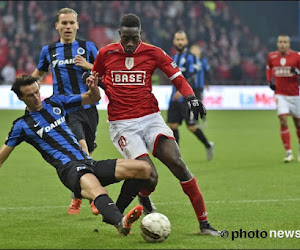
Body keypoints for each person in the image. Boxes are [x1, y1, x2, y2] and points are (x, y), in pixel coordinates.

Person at [88, 13, 220, 236]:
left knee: (177, 163)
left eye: (135, 38)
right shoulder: (105, 53)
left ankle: (204, 224)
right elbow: (95, 81)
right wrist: (92, 83)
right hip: (122, 124)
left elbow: (177, 77)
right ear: (120, 35)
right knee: (149, 175)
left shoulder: (154, 52)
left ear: (141, 35)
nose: (130, 43)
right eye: (126, 38)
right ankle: (127, 207)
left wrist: (191, 97)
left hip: (151, 118)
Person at [0, 74, 151, 236]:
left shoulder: (55, 102)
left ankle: (115, 213)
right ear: (21, 98)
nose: (36, 97)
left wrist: (93, 86)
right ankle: (121, 222)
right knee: (97, 190)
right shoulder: (22, 126)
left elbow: (93, 98)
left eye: (37, 91)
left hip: (89, 162)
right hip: (69, 169)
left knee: (143, 169)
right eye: (30, 95)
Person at [32, 8, 99, 215]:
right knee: (82, 148)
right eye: (64, 23)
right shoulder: (49, 50)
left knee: (84, 155)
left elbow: (103, 70)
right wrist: (27, 88)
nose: (68, 27)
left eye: (71, 23)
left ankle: (77, 194)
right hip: (65, 110)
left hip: (89, 107)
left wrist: (88, 65)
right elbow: (39, 73)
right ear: (57, 26)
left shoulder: (87, 47)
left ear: (77, 25)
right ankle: (96, 198)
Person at [167, 31, 214, 161]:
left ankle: (208, 144)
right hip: (173, 98)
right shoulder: (172, 58)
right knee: (172, 126)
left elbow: (192, 77)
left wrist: (180, 91)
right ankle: (177, 155)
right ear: (174, 41)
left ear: (186, 41)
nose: (180, 42)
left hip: (185, 98)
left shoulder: (190, 57)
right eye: (178, 39)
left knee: (191, 127)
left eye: (182, 39)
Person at [266, 34, 300, 162]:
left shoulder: (297, 57)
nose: (282, 44)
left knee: (298, 124)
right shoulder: (272, 56)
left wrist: (298, 73)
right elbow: (269, 68)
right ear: (277, 44)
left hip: (295, 95)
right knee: (283, 120)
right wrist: (270, 81)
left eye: (285, 42)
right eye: (280, 42)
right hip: (280, 94)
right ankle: (288, 152)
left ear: (289, 44)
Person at [190, 43, 211, 128]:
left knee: (200, 102)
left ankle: (203, 118)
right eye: (193, 49)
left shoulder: (203, 60)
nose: (194, 51)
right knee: (193, 102)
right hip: (191, 85)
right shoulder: (190, 60)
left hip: (200, 85)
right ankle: (196, 120)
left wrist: (207, 83)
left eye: (196, 49)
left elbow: (207, 72)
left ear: (199, 51)